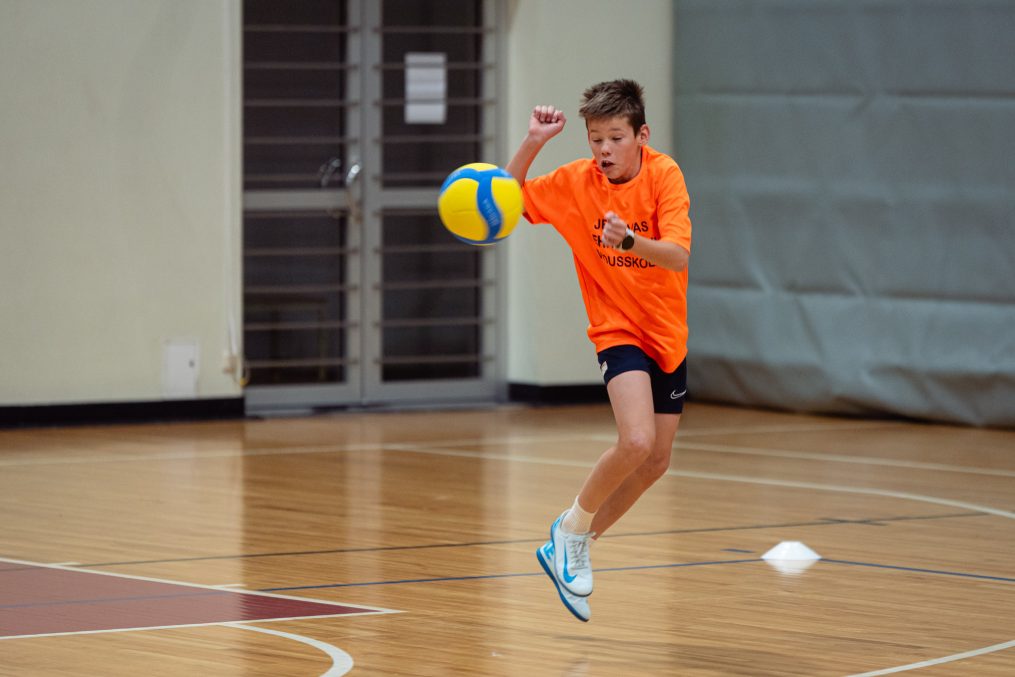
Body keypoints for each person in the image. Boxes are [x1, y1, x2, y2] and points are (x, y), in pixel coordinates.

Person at [506, 79, 692, 622]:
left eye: (615, 138)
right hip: (617, 329)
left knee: (656, 461)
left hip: (667, 333)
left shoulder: (665, 175)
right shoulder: (575, 183)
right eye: (595, 139)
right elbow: (507, 201)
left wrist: (629, 241)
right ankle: (570, 531)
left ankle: (572, 539)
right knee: (635, 440)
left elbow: (677, 256)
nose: (604, 150)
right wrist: (534, 141)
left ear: (641, 135)